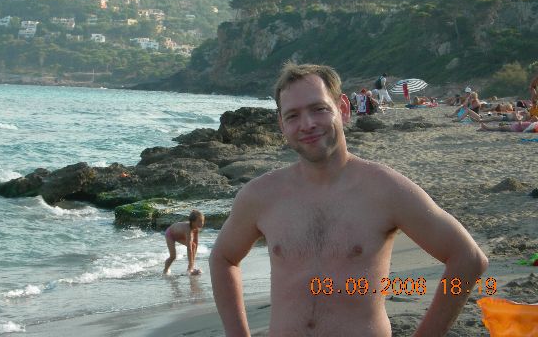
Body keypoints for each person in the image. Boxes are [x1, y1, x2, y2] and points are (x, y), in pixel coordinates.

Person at [209, 63, 488, 336]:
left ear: (343, 108)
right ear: (281, 124)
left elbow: (468, 258)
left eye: (319, 109)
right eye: (292, 115)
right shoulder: (261, 195)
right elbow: (222, 258)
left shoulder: (384, 189)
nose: (307, 124)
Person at [163, 209, 204, 275]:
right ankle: (165, 270)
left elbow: (196, 243)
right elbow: (189, 249)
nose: (202, 223)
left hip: (179, 235)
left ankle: (190, 268)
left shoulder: (196, 228)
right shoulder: (188, 229)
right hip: (170, 234)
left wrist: (192, 264)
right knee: (173, 256)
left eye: (202, 221)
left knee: (193, 245)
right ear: (193, 222)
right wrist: (191, 266)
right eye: (199, 221)